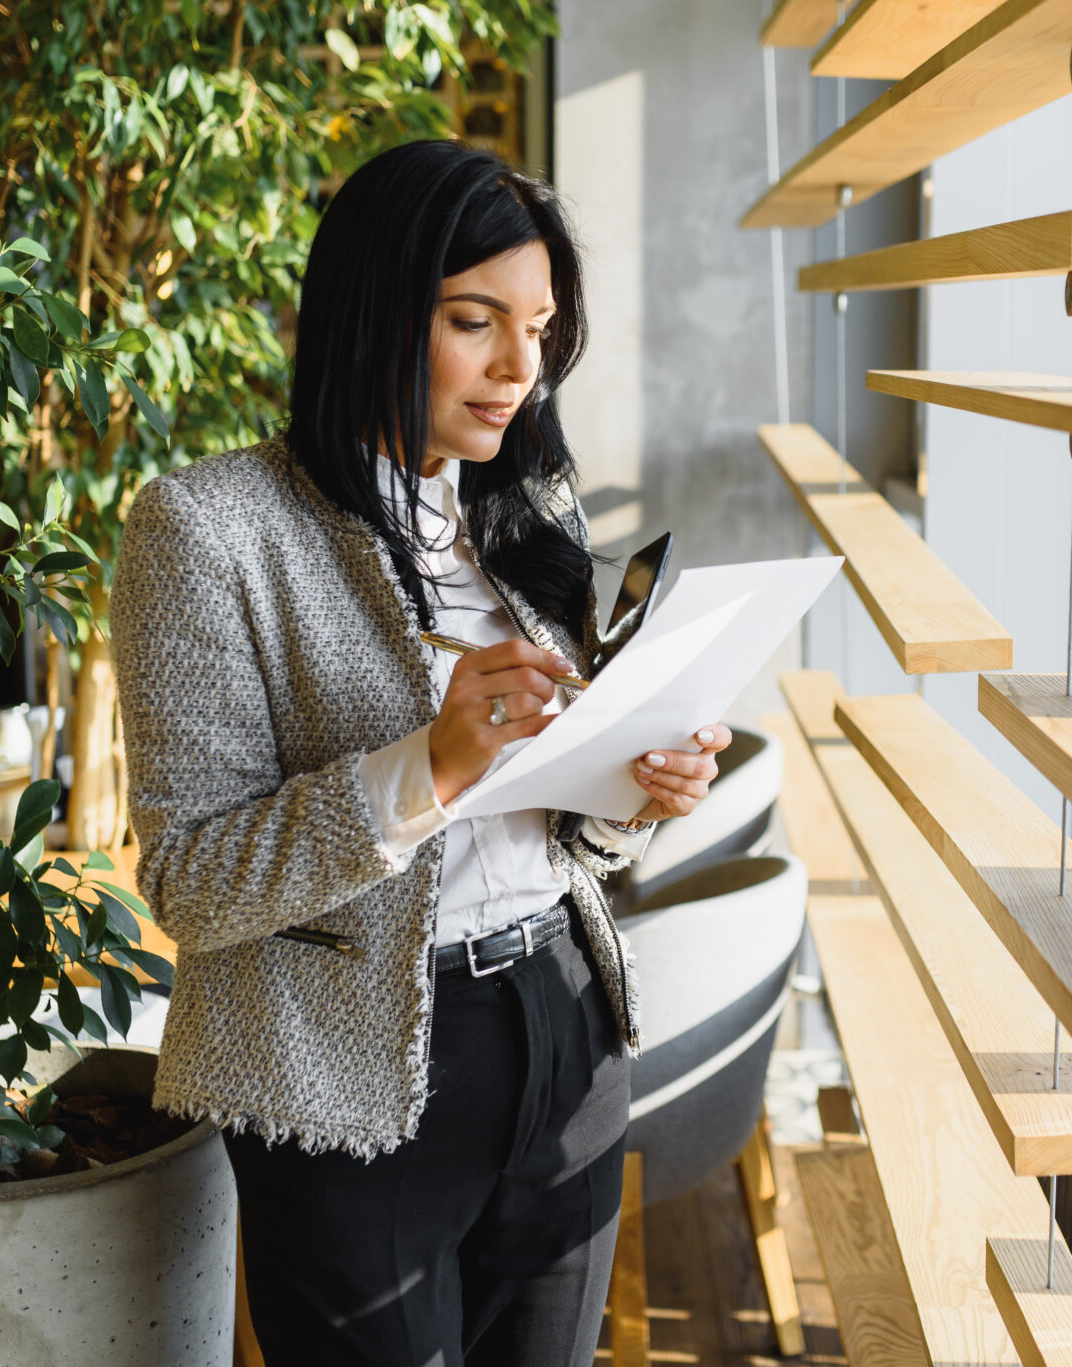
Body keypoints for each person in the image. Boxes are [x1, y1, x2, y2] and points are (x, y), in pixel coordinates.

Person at [109, 139, 730, 1366]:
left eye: (542, 330)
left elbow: (558, 826)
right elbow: (190, 880)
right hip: (339, 1072)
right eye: (473, 321)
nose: (519, 369)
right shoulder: (208, 527)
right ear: (374, 309)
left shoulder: (525, 513)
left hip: (563, 1026)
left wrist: (635, 790)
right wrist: (430, 764)